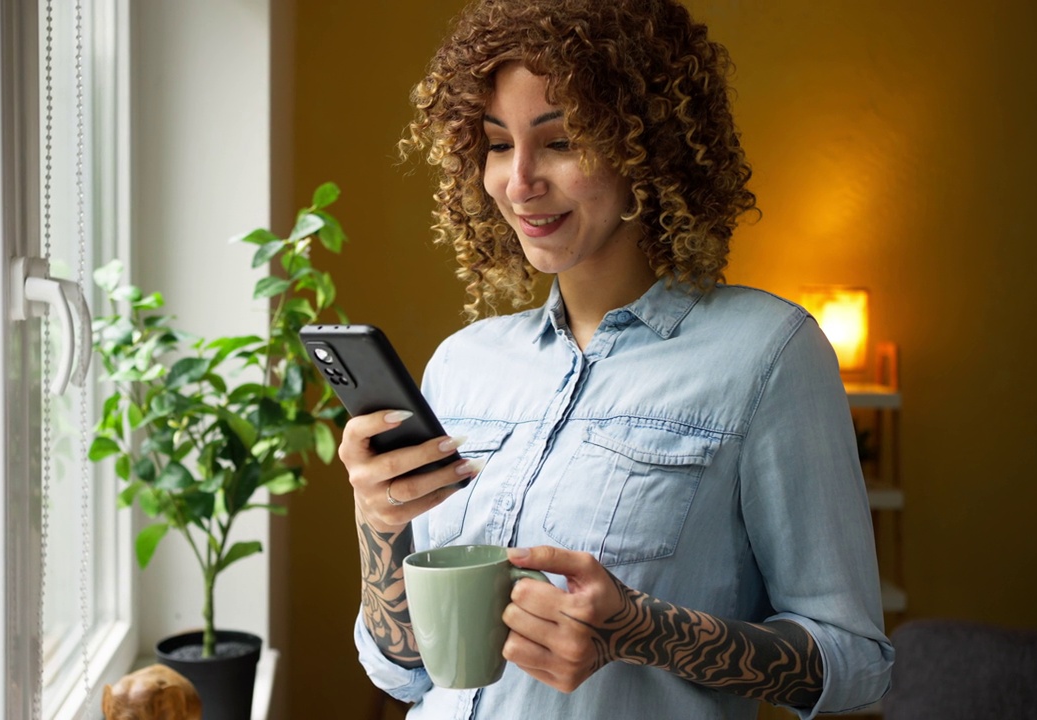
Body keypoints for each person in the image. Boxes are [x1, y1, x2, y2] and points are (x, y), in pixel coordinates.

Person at [339, 0, 894, 717]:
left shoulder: (768, 354)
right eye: (498, 144)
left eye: (562, 140)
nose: (520, 181)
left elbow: (856, 664)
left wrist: (645, 632)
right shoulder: (462, 364)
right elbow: (405, 674)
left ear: (648, 147)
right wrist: (378, 521)